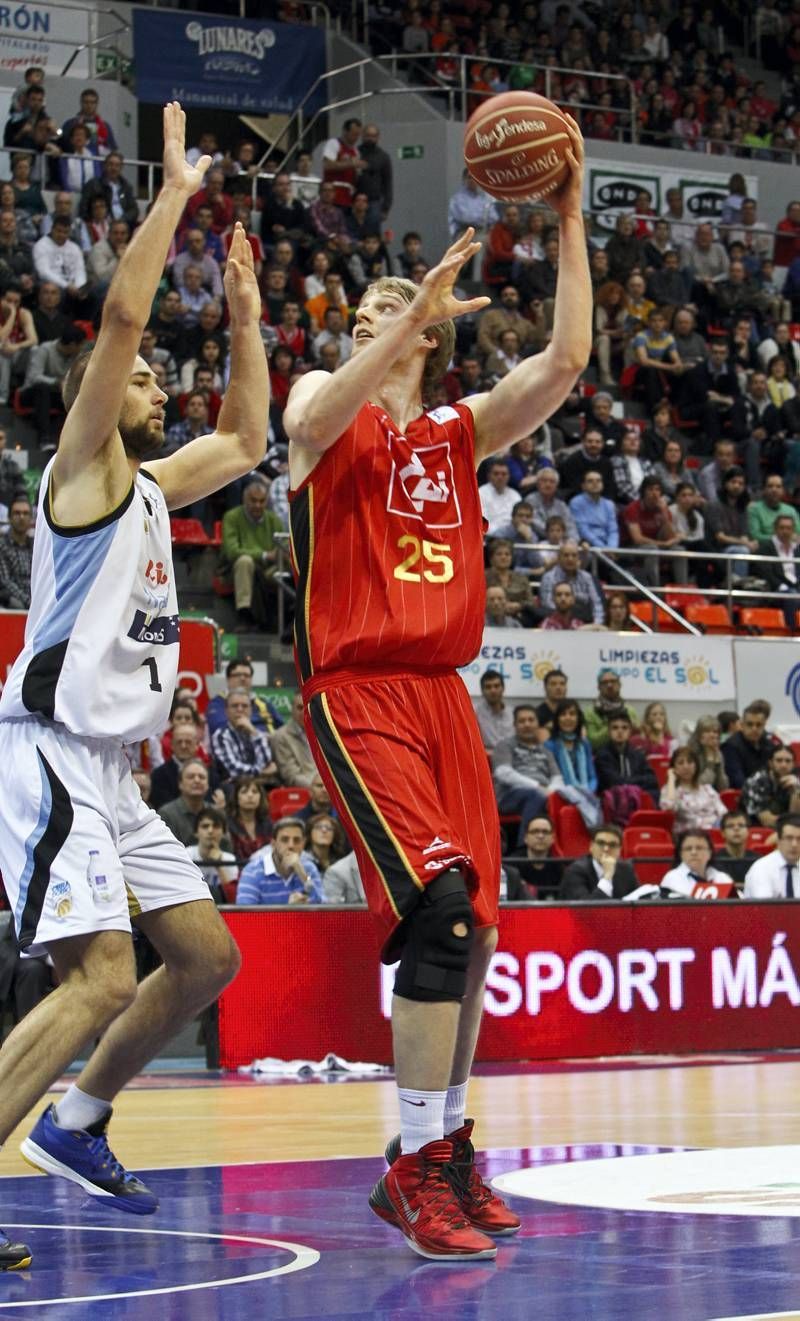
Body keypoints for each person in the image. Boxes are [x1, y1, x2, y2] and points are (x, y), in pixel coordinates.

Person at [282, 114, 590, 1259]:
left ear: (427, 345)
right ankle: (409, 1160)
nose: (372, 323)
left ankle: (447, 1143)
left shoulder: (454, 432)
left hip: (443, 698)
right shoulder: (330, 405)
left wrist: (564, 222)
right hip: (357, 690)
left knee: (478, 943)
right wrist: (394, 323)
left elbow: (560, 364)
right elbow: (309, 415)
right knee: (439, 913)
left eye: (391, 314)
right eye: (365, 314)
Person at [0, 105, 267, 1268]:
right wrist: (171, 198)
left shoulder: (157, 484)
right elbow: (118, 314)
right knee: (100, 976)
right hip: (48, 745)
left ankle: (78, 1122)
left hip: (113, 772)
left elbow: (250, 438)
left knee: (205, 957)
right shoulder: (83, 471)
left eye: (163, 374)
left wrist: (248, 319)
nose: (157, 381)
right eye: (146, 374)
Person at [492, 705, 562, 846]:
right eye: (522, 721)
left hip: (542, 794)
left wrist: (551, 791)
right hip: (508, 796)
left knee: (562, 799)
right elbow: (503, 773)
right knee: (535, 796)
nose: (527, 724)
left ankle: (556, 849)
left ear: (538, 724)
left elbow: (557, 778)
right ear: (515, 725)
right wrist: (538, 787)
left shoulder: (546, 751)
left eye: (531, 720)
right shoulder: (505, 745)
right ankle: (524, 848)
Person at [219, 479, 283, 631]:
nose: (258, 505)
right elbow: (232, 551)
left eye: (262, 501)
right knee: (245, 562)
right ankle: (244, 614)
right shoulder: (232, 517)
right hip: (232, 569)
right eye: (253, 501)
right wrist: (264, 555)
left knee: (282, 569)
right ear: (244, 500)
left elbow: (283, 547)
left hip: (267, 569)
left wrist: (275, 556)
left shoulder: (274, 519)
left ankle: (284, 618)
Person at [235, 816, 324, 904]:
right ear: (273, 844)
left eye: (297, 840)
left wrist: (302, 874)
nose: (291, 845)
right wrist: (288, 911)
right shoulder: (253, 871)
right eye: (285, 840)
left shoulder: (309, 868)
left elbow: (324, 909)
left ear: (303, 844)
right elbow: (244, 916)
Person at [545, 698, 601, 829]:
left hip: (586, 792)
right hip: (562, 794)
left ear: (578, 718)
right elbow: (554, 777)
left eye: (572, 714)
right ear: (557, 719)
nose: (568, 718)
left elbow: (592, 776)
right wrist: (576, 793)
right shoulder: (549, 745)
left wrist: (587, 791)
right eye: (563, 714)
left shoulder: (584, 744)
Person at [210, 689, 277, 785]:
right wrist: (263, 772)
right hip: (233, 789)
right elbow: (234, 771)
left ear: (251, 710)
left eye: (245, 706)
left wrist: (254, 733)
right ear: (226, 711)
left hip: (261, 787)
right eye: (235, 706)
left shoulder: (256, 733)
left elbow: (266, 762)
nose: (240, 709)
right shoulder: (220, 735)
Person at [558, 823, 639, 899]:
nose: (606, 849)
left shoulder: (626, 869)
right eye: (601, 843)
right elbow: (585, 909)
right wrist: (607, 876)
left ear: (620, 850)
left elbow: (638, 898)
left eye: (612, 845)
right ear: (591, 846)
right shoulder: (575, 871)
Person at [660, 747, 725, 833]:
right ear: (674, 768)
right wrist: (671, 778)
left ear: (696, 765)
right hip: (690, 837)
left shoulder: (708, 789)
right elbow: (668, 806)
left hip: (716, 832)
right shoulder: (670, 790)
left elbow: (724, 814)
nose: (686, 766)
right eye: (680, 763)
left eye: (690, 762)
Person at [595, 713, 659, 798]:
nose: (620, 731)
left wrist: (627, 782)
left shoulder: (638, 755)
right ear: (609, 731)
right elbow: (615, 783)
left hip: (637, 800)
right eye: (615, 728)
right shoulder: (602, 756)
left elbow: (652, 780)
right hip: (612, 803)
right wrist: (639, 781)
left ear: (630, 731)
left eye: (624, 727)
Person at [539, 541, 604, 624]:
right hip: (557, 624)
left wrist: (597, 624)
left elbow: (597, 604)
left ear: (578, 558)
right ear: (559, 558)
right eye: (566, 555)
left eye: (574, 555)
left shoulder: (587, 577)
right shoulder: (548, 577)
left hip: (585, 625)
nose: (570, 559)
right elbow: (548, 606)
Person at [660, 830, 735, 899]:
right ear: (680, 854)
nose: (694, 852)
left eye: (699, 848)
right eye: (688, 849)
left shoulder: (722, 877)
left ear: (710, 852)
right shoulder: (672, 878)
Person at [186, 806, 238, 904]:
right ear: (196, 832)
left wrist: (220, 866)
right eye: (205, 826)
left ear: (223, 833)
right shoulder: (186, 855)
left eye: (216, 826)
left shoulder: (230, 859)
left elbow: (232, 900)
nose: (210, 831)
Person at [741, 743, 800, 827]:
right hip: (756, 829)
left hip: (786, 829)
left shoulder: (795, 780)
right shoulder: (756, 782)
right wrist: (792, 821)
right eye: (779, 760)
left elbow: (796, 816)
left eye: (788, 761)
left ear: (793, 764)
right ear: (770, 763)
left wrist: (796, 791)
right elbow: (768, 822)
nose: (784, 765)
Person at [504, 815, 562, 899]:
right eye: (535, 831)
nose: (540, 836)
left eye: (545, 832)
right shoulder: (512, 865)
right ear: (525, 837)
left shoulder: (558, 867)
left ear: (553, 838)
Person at [744, 813, 800, 898]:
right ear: (778, 840)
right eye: (789, 838)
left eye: (799, 839)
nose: (794, 844)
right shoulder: (762, 868)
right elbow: (765, 908)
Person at [723, 702, 776, 788]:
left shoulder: (769, 745)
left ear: (764, 725)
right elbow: (738, 781)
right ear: (742, 725)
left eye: (758, 725)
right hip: (742, 795)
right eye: (750, 724)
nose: (754, 729)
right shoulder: (731, 746)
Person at [270, 691, 317, 787]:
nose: (304, 712)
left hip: (325, 788)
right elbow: (291, 776)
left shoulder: (321, 732)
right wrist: (318, 787)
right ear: (292, 709)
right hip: (303, 791)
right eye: (300, 708)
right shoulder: (281, 736)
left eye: (307, 707)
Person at [584, 668, 639, 751]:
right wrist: (615, 724)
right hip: (600, 760)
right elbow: (592, 742)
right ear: (598, 687)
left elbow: (637, 740)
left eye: (613, 681)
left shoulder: (629, 710)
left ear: (619, 684)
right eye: (605, 682)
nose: (609, 685)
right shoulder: (590, 712)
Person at [225, 775, 272, 862]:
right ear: (236, 797)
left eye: (254, 792)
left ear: (260, 797)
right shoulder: (227, 824)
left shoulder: (267, 824)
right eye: (244, 792)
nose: (250, 795)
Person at [0, 494, 33, 609]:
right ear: (9, 518)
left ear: (31, 519)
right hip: (13, 606)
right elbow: (5, 581)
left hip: (37, 605)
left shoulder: (35, 547)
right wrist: (30, 602)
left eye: (25, 513)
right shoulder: (2, 546)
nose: (21, 517)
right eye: (17, 513)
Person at [474, 668, 515, 750]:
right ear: (482, 691)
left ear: (503, 688)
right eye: (488, 687)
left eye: (496, 686)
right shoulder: (474, 712)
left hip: (511, 757)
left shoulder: (513, 713)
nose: (493, 690)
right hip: (486, 757)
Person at [715, 809, 756, 888]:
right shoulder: (714, 861)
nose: (736, 829)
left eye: (741, 825)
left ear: (748, 831)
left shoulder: (757, 860)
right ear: (723, 833)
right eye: (730, 826)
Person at [687, 716, 729, 791]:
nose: (712, 735)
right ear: (699, 735)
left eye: (715, 732)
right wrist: (710, 762)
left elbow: (723, 787)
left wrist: (718, 765)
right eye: (707, 731)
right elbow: (699, 786)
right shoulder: (690, 754)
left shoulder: (718, 753)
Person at [534, 668, 568, 739]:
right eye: (553, 684)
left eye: (562, 684)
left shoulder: (574, 712)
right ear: (545, 688)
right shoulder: (536, 714)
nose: (558, 687)